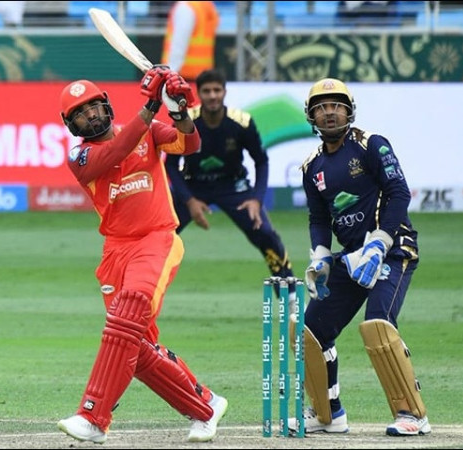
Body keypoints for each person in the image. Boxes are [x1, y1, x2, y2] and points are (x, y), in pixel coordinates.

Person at [56, 67, 227, 444]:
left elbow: (189, 144)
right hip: (115, 250)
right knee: (135, 346)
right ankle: (206, 405)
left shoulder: (149, 131)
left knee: (128, 313)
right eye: (81, 113)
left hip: (156, 238)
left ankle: (93, 416)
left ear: (107, 105)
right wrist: (151, 106)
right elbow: (115, 152)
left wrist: (178, 109)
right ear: (71, 125)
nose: (91, 115)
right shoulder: (79, 156)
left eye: (94, 106)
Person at [287, 78, 431, 437]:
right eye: (322, 107)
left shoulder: (371, 145)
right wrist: (321, 257)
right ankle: (328, 414)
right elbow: (319, 218)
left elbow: (399, 193)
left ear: (349, 110)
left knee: (378, 325)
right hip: (352, 258)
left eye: (336, 105)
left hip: (394, 249)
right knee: (311, 331)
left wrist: (380, 243)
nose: (329, 112)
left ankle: (412, 414)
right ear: (311, 116)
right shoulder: (311, 166)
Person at [164, 69, 296, 301]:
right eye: (207, 91)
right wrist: (189, 201)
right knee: (160, 236)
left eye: (217, 90)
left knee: (265, 233)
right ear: (199, 94)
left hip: (233, 186)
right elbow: (171, 165)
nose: (212, 96)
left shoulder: (241, 123)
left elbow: (261, 161)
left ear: (224, 92)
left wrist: (256, 200)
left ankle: (290, 297)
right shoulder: (186, 121)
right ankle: (139, 291)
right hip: (193, 186)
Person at [161, 1, 219, 81]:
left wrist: (169, 75)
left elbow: (179, 44)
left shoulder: (185, 7)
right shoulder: (206, 6)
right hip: (203, 77)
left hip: (183, 77)